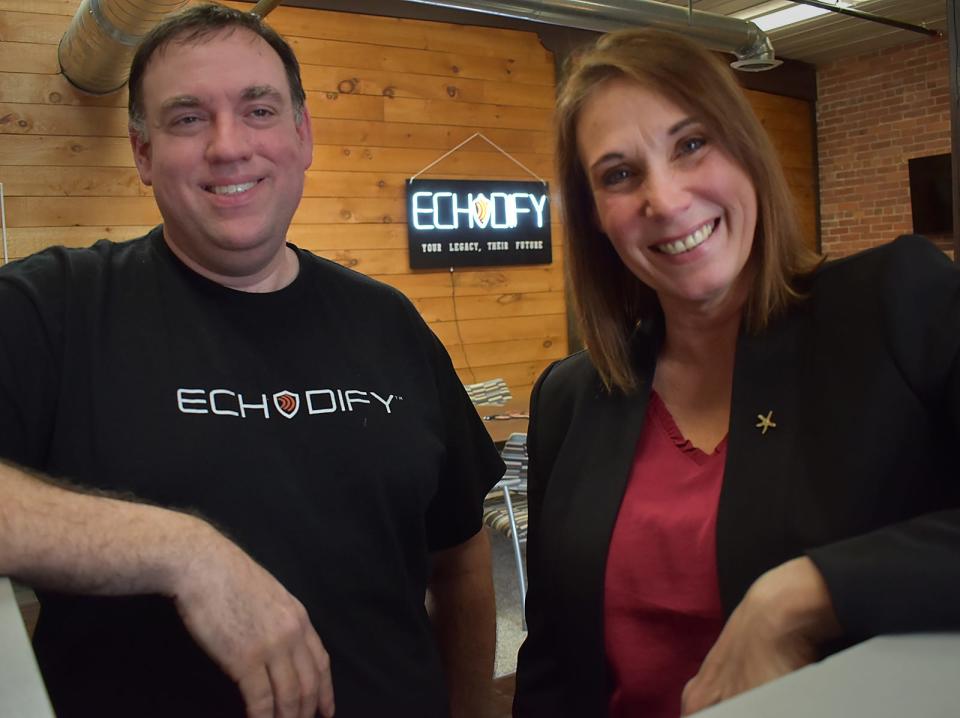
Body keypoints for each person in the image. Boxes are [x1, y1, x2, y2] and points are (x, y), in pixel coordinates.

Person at [0, 5, 503, 718]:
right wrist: (180, 550)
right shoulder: (56, 310)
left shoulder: (388, 322)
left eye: (258, 110)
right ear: (143, 154)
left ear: (302, 137)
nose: (229, 146)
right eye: (186, 119)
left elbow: (460, 562)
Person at [513, 27, 960, 718]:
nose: (664, 199)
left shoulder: (894, 304)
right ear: (597, 217)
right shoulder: (570, 399)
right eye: (619, 174)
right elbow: (550, 665)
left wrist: (802, 594)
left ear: (746, 149)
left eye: (691, 144)